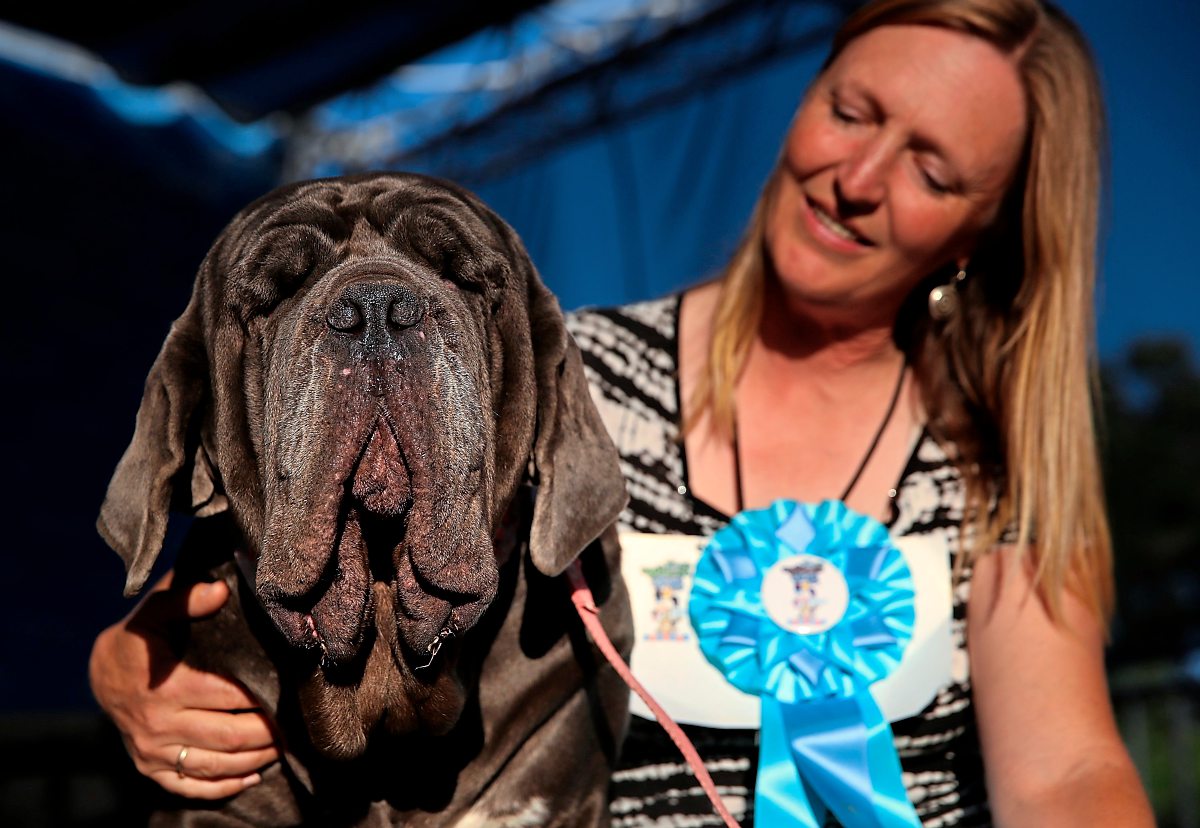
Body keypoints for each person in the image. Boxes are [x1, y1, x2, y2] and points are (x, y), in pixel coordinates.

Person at [90, 0, 1154, 824]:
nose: (858, 177)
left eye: (930, 167)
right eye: (852, 110)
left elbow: (1063, 772)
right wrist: (129, 666)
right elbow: (267, 549)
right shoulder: (561, 372)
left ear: (980, 233)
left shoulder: (1002, 463)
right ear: (808, 93)